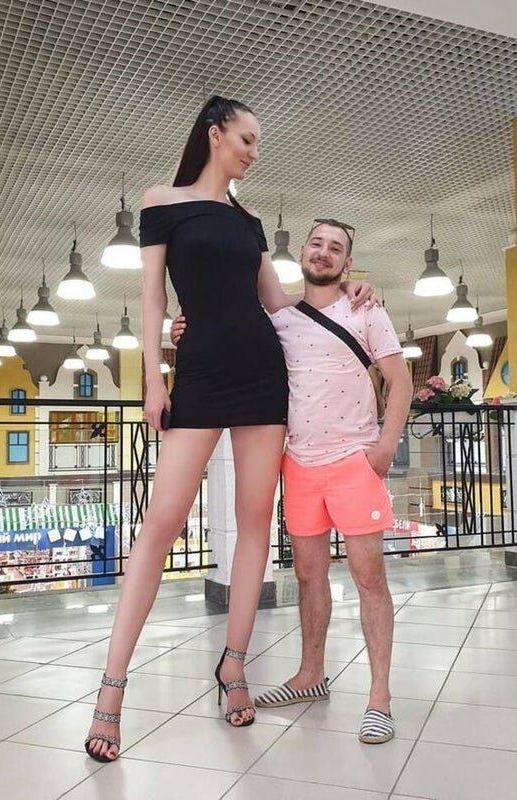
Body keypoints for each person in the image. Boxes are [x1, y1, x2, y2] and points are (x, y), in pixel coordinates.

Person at [84, 96, 373, 763]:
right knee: (160, 525)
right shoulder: (162, 202)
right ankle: (111, 688)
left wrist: (351, 290)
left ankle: (234, 664)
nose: (253, 151)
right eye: (246, 139)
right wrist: (155, 378)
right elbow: (152, 297)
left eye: (256, 142)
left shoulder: (247, 222)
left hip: (262, 377)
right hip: (201, 375)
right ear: (215, 135)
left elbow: (278, 303)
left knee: (253, 524)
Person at [171, 218, 412, 744]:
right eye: (316, 243)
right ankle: (310, 675)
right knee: (307, 575)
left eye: (336, 248)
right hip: (299, 464)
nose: (324, 253)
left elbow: (401, 380)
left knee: (369, 577)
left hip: (354, 460)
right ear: (301, 252)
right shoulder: (279, 318)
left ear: (347, 264)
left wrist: (385, 446)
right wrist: (184, 331)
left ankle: (380, 698)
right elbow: (233, 340)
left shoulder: (365, 309)